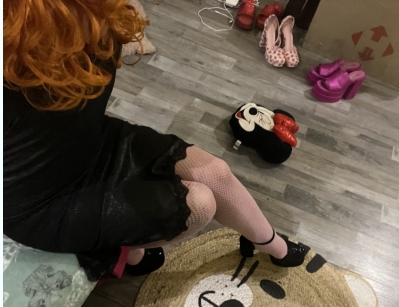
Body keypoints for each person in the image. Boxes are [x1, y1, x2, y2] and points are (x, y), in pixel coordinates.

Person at [3, 0, 305, 281]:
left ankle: (269, 244)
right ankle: (122, 250)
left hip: (90, 139)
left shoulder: (92, 9)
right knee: (198, 205)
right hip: (42, 200)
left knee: (216, 172)